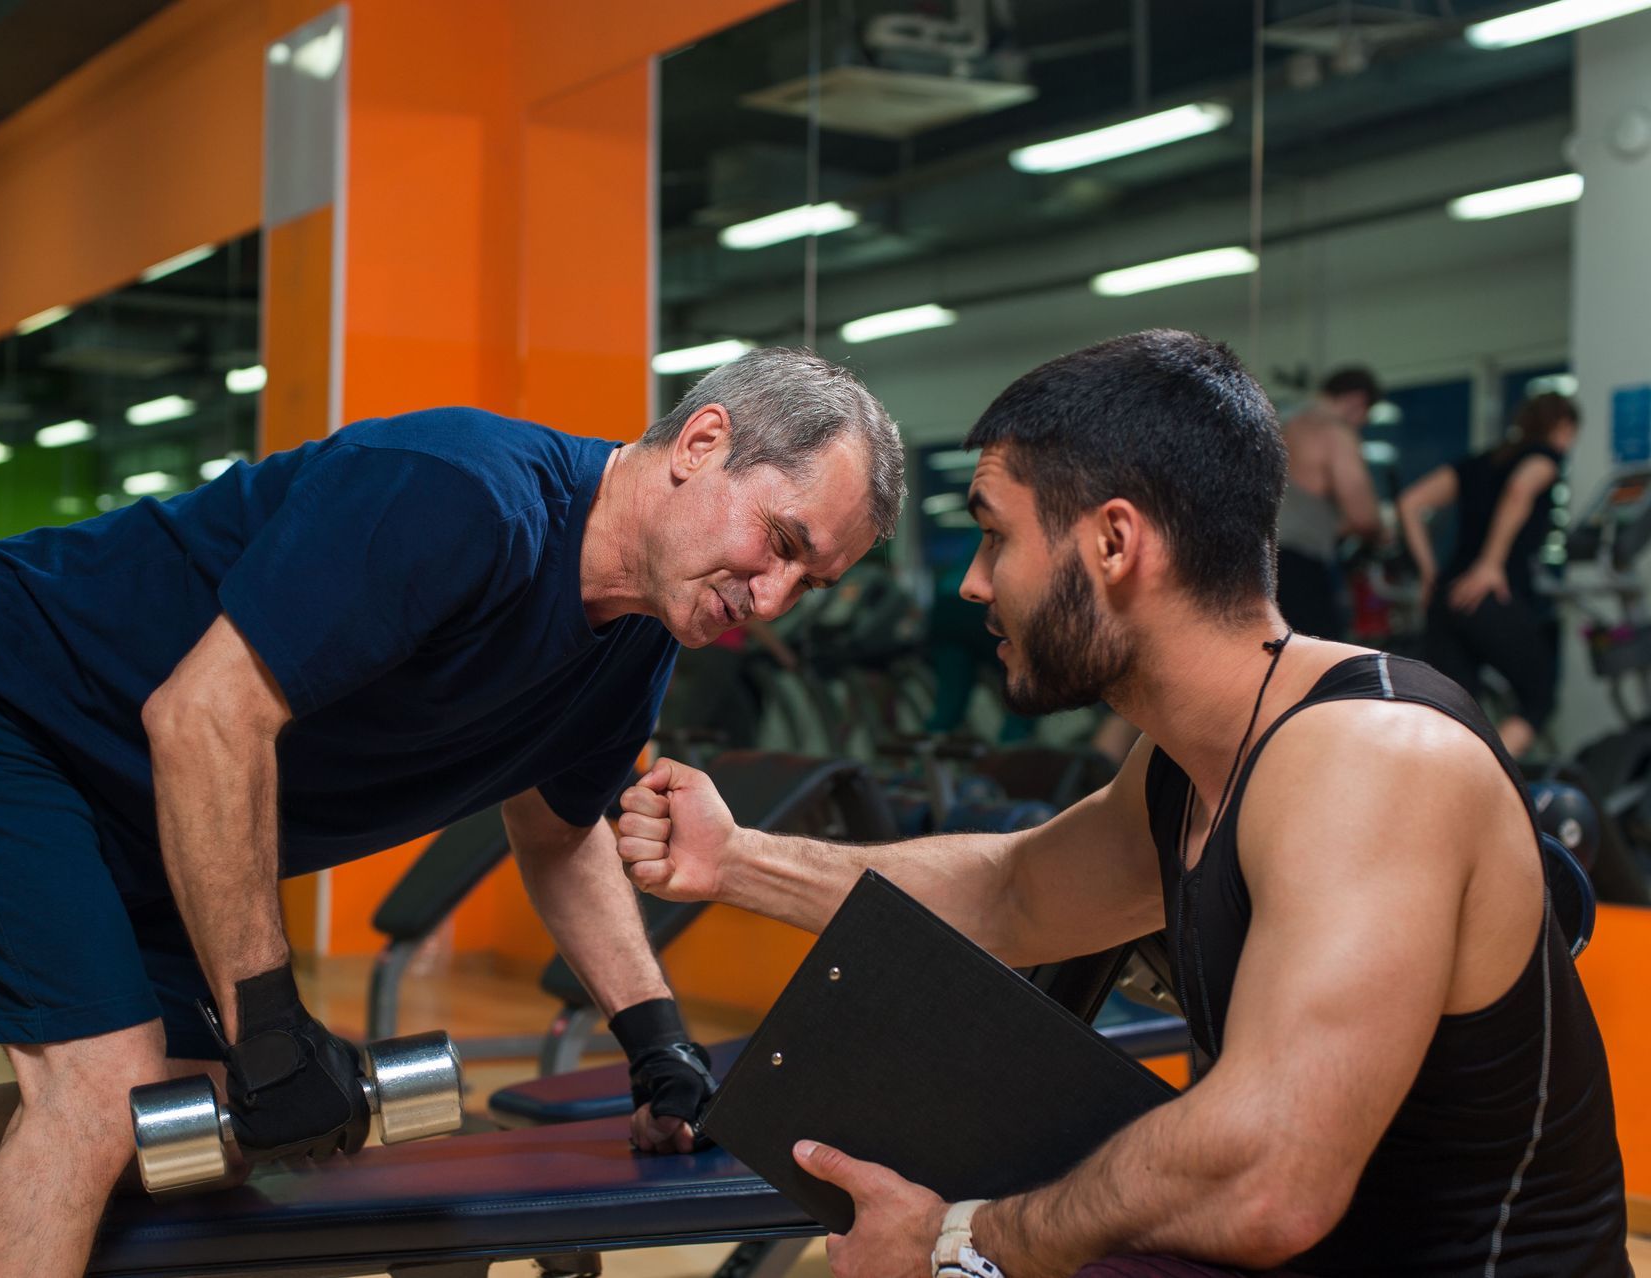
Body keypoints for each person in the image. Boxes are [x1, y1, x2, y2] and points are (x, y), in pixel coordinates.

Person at [0, 348, 904, 1278]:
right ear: (703, 443)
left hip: (144, 802)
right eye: (783, 543)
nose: (777, 597)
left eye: (814, 580)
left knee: (189, 1135)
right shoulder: (464, 498)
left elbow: (557, 830)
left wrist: (657, 1043)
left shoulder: (632, 648)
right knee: (100, 1106)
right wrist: (269, 1022)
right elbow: (204, 719)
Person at [619, 331, 1626, 1277]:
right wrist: (736, 860)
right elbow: (1011, 893)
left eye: (994, 535)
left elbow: (1266, 1178)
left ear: (1112, 543)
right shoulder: (1189, 762)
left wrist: (967, 1242)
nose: (973, 585)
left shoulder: (1376, 757)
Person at [1398, 392, 1579, 758]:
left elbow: (1410, 503)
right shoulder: (1544, 458)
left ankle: (1447, 792)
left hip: (1447, 597)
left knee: (1456, 710)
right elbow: (1518, 489)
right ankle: (1488, 783)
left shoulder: (1480, 462)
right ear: (1563, 427)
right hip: (1487, 597)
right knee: (1538, 698)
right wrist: (1491, 564)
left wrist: (1430, 575)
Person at [1274, 366, 1385, 639]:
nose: (1360, 425)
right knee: (1319, 664)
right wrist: (1383, 533)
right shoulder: (1334, 431)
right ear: (1356, 401)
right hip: (1299, 563)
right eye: (1364, 418)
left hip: (1257, 563)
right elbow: (1363, 516)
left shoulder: (1281, 426)